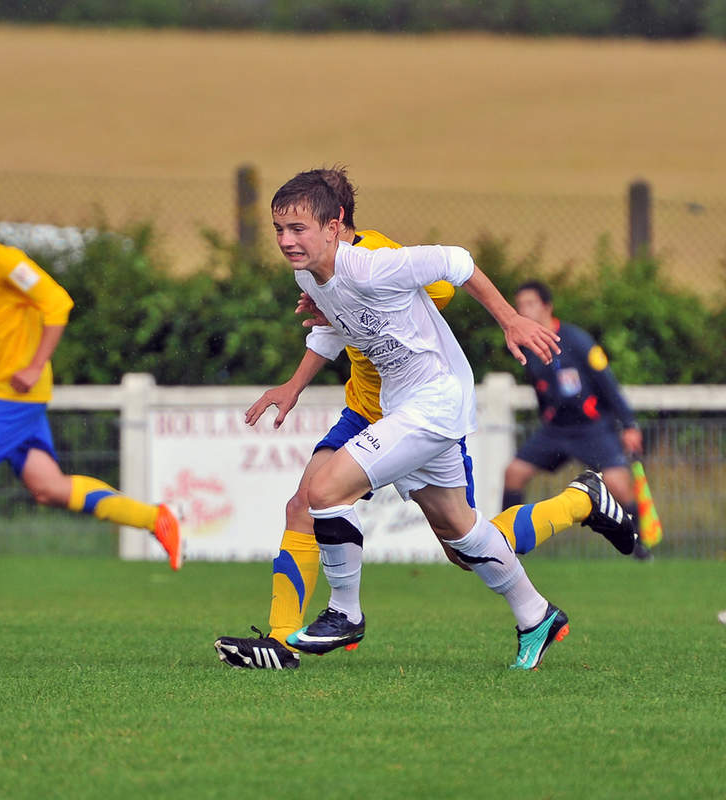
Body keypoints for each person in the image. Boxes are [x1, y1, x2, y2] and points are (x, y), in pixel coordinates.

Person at [215, 169, 636, 670]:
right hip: (399, 405)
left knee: (323, 493)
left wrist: (511, 320)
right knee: (462, 534)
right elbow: (341, 323)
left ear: (335, 223)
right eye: (279, 229)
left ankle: (343, 614)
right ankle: (538, 609)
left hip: (431, 402)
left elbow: (455, 264)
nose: (286, 240)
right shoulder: (311, 272)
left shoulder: (374, 262)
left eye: (298, 228)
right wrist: (295, 381)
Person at [0, 183, 181, 609]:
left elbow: (57, 304)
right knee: (48, 488)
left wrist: (34, 366)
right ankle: (153, 518)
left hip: (14, 394)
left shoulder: (4, 261)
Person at [503, 280, 651, 560]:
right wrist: (545, 415)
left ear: (547, 307)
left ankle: (639, 547)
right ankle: (505, 546)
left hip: (592, 428)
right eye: (519, 305)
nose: (523, 309)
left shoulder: (577, 340)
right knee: (513, 474)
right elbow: (541, 390)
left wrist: (629, 425)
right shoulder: (527, 345)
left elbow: (608, 384)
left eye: (530, 303)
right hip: (555, 430)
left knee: (619, 486)